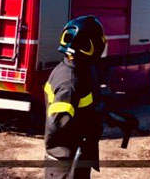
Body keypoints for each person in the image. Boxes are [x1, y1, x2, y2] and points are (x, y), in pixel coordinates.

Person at [44, 15, 107, 179]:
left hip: (76, 160)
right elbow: (57, 125)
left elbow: (86, 106)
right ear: (87, 46)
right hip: (66, 165)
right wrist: (83, 134)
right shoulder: (69, 83)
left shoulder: (80, 69)